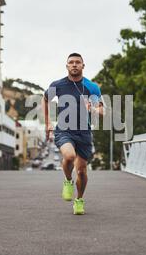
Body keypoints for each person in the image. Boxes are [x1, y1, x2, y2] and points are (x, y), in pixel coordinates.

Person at [42, 53, 104, 215]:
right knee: (69, 156)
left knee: (82, 171)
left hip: (84, 132)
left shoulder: (92, 87)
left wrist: (94, 108)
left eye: (78, 62)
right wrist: (47, 122)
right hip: (64, 129)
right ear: (67, 66)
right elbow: (45, 99)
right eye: (71, 62)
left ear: (83, 66)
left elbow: (103, 110)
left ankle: (79, 200)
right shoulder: (58, 85)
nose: (74, 65)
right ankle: (68, 180)